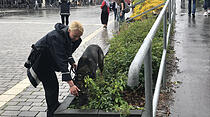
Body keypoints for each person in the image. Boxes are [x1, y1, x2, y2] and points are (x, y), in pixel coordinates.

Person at [24, 21, 84, 117]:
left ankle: (53, 106)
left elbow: (67, 51)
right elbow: (61, 59)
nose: (76, 39)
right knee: (51, 86)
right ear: (69, 30)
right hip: (40, 61)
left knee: (53, 85)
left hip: (48, 60)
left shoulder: (67, 36)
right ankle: (52, 112)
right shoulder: (56, 37)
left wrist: (72, 62)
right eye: (75, 36)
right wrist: (71, 84)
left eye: (79, 37)